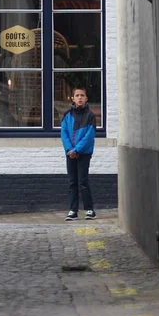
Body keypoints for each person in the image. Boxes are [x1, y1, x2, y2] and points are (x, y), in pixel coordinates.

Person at [60, 87, 97, 221]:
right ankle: (73, 210)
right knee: (72, 182)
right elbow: (64, 133)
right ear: (73, 98)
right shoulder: (67, 115)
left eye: (82, 95)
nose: (80, 98)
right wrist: (69, 149)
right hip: (70, 153)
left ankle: (89, 209)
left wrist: (76, 150)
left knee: (83, 181)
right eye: (77, 95)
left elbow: (89, 136)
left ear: (86, 98)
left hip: (83, 154)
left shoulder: (90, 116)